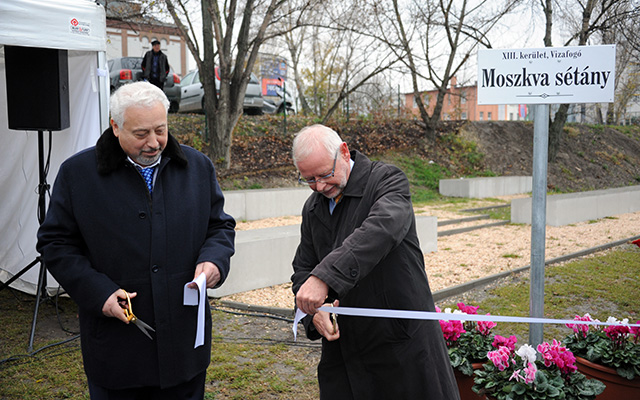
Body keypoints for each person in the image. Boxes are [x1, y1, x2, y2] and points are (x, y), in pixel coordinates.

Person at [37, 81, 235, 399]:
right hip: (117, 353)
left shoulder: (197, 168)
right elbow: (55, 243)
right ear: (115, 127)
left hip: (184, 349)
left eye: (161, 130)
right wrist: (98, 293)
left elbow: (220, 227)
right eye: (141, 134)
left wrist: (214, 260)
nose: (154, 143)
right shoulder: (78, 174)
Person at [291, 124, 460, 400]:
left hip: (400, 347)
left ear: (344, 152)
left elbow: (381, 229)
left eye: (324, 174)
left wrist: (324, 278)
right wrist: (313, 312)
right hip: (345, 354)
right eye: (308, 179)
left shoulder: (387, 180)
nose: (319, 186)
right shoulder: (313, 207)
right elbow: (303, 268)